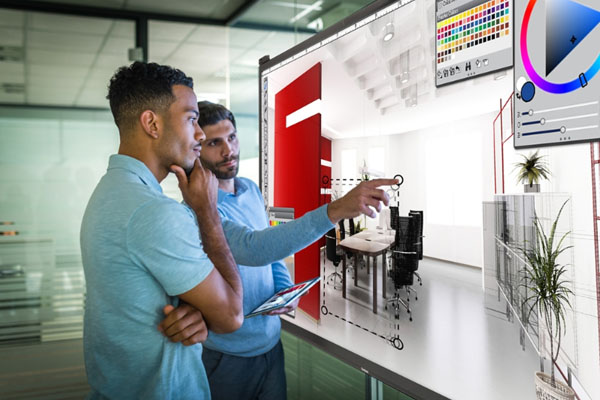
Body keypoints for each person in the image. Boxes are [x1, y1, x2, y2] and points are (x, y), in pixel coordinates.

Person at [81, 61, 395, 399]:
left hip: (261, 347)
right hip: (201, 370)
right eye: (191, 120)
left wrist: (202, 311)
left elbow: (143, 298)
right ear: (152, 123)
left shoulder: (111, 193)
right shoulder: (159, 211)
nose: (201, 137)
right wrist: (335, 210)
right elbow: (247, 264)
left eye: (230, 137)